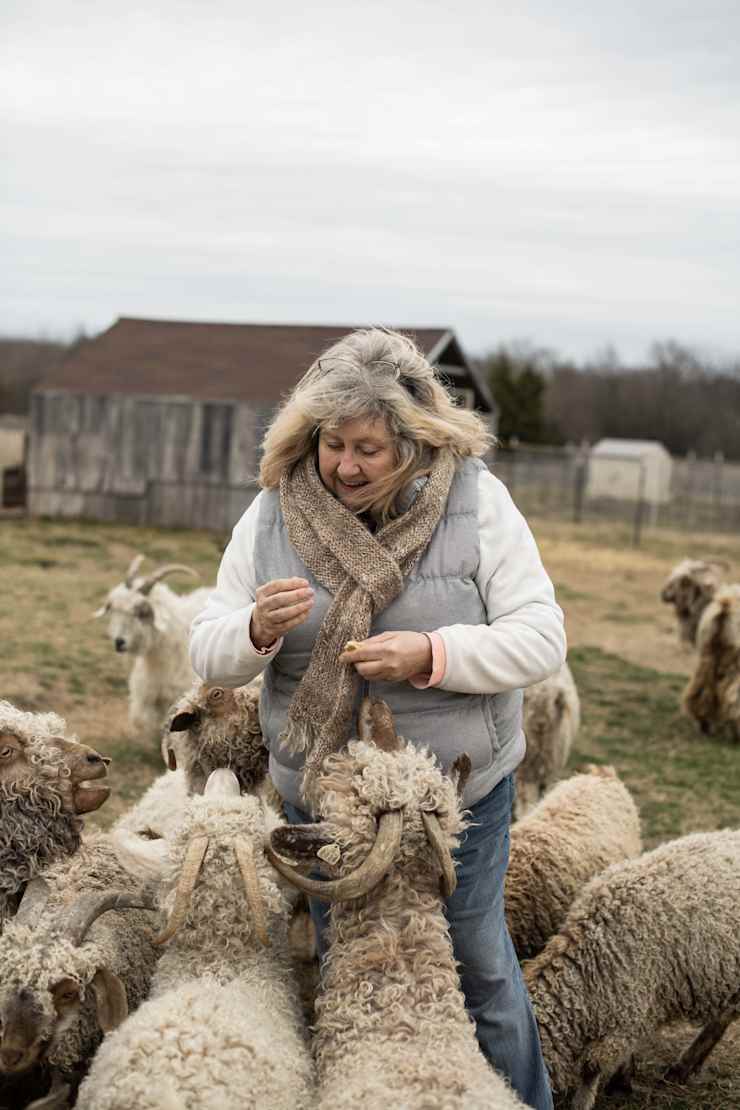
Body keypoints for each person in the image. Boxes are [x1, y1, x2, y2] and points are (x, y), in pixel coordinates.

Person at [190, 327, 565, 1110]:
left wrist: (433, 653)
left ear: (414, 440)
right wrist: (253, 629)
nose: (346, 466)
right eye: (333, 444)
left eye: (369, 448)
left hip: (454, 797)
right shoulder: (272, 514)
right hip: (327, 799)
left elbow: (540, 637)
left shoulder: (475, 502)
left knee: (475, 964)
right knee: (349, 964)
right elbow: (208, 649)